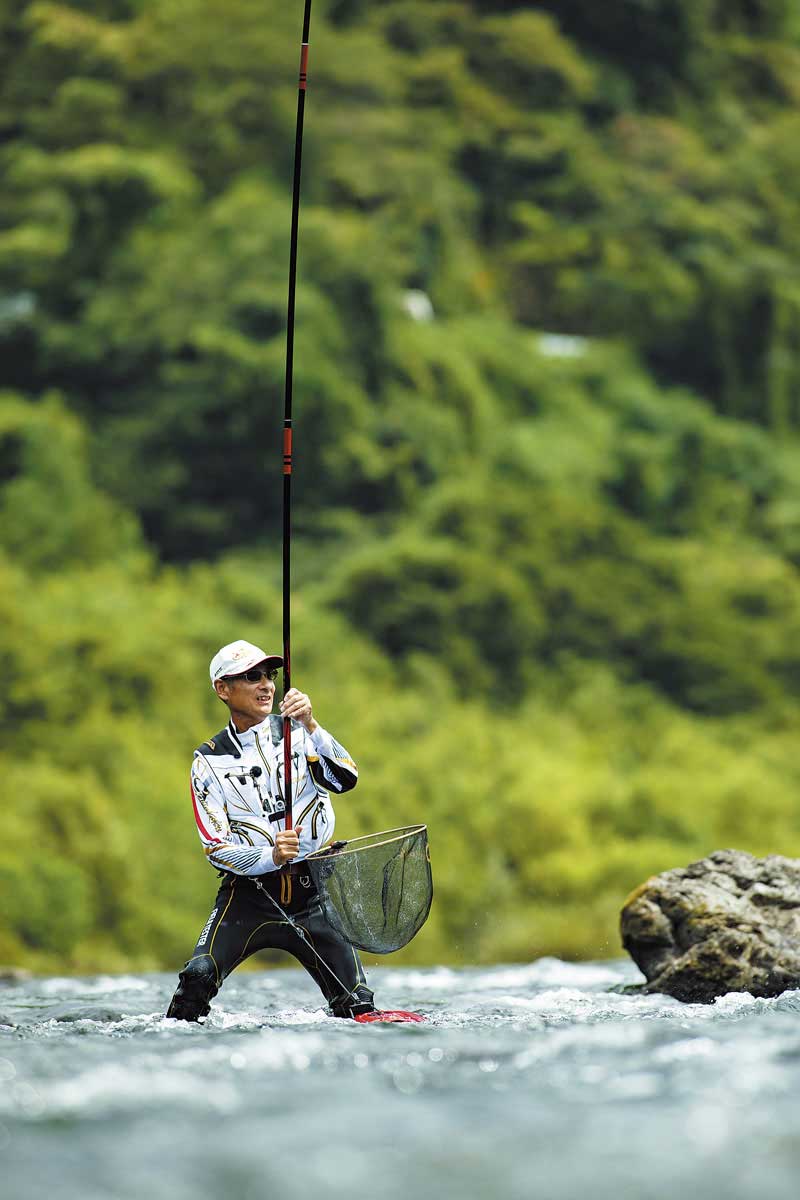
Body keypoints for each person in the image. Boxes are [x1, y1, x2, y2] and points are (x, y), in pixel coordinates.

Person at [166, 638, 376, 1022]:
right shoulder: (207, 761)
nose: (266, 685)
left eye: (269, 675)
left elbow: (346, 779)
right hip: (247, 896)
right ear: (222, 689)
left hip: (314, 894)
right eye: (251, 676)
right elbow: (214, 847)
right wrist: (270, 856)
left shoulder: (299, 731)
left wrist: (311, 724)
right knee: (197, 978)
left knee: (359, 1007)